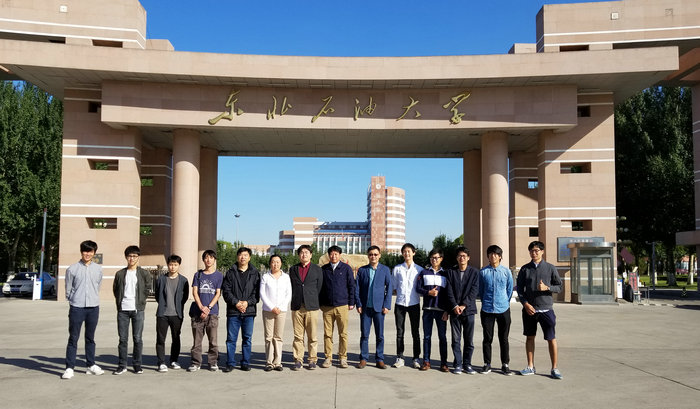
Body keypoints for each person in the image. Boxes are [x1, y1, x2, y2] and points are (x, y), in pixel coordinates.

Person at [517, 240, 563, 379]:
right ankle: (530, 366)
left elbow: (559, 287)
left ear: (542, 251)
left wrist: (547, 288)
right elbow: (520, 290)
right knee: (530, 337)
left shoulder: (550, 268)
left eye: (536, 250)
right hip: (529, 310)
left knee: (551, 338)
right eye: (531, 251)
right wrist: (525, 304)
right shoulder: (525, 269)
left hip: (546, 310)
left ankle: (554, 368)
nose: (534, 253)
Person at [62, 240, 104, 379]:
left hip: (93, 307)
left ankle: (91, 365)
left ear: (94, 253)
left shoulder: (98, 269)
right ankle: (69, 368)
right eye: (85, 251)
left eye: (90, 251)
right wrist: (74, 300)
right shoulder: (72, 269)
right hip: (77, 307)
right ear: (81, 252)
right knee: (73, 338)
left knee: (90, 338)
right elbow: (68, 289)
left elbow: (97, 286)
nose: (88, 254)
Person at [112, 245, 151, 375]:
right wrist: (119, 302)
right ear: (126, 257)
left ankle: (137, 364)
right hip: (123, 310)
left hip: (137, 310)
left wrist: (141, 300)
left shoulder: (144, 273)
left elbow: (147, 288)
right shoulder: (120, 274)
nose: (132, 258)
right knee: (123, 339)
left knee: (137, 338)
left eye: (134, 256)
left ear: (138, 257)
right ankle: (122, 365)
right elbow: (116, 289)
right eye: (129, 256)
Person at [222, 247, 260, 372]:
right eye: (240, 255)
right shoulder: (230, 272)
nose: (243, 257)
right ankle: (230, 363)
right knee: (231, 339)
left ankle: (245, 362)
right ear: (237, 257)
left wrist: (247, 303)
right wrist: (237, 303)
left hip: (249, 312)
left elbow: (257, 293)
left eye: (245, 255)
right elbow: (226, 291)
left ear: (249, 257)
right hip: (233, 311)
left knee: (247, 339)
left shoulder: (255, 273)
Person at [355, 245, 393, 369]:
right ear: (368, 256)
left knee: (380, 335)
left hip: (379, 308)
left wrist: (387, 305)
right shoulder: (362, 270)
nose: (373, 256)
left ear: (379, 255)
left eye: (375, 254)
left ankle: (379, 359)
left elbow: (389, 288)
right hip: (365, 308)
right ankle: (363, 358)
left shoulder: (385, 270)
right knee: (364, 335)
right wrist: (358, 304)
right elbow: (357, 288)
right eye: (371, 254)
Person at [479, 244, 513, 375]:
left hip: (503, 309)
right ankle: (487, 364)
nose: (493, 256)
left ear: (500, 257)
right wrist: (486, 302)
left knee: (503, 338)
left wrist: (504, 301)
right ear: (487, 256)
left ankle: (505, 364)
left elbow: (509, 290)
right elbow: (481, 291)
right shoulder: (483, 272)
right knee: (487, 338)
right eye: (491, 254)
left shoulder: (506, 272)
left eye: (496, 254)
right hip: (487, 309)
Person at [319, 245, 355, 369]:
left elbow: (351, 286)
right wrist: (320, 303)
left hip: (342, 306)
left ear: (340, 255)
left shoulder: (346, 268)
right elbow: (320, 288)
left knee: (343, 334)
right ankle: (328, 357)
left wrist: (351, 302)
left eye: (336, 254)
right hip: (327, 307)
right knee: (327, 334)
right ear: (328, 255)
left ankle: (343, 357)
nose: (333, 256)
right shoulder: (324, 269)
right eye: (331, 254)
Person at [445, 246, 479, 374]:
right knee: (456, 339)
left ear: (468, 258)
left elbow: (474, 291)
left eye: (464, 256)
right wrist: (454, 306)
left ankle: (467, 364)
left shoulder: (474, 272)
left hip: (469, 311)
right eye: (460, 256)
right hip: (454, 311)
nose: (462, 258)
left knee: (469, 340)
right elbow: (448, 291)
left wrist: (464, 305)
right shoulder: (450, 272)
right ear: (456, 258)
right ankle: (458, 364)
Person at [289, 244, 323, 370]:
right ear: (299, 255)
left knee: (312, 336)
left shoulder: (317, 269)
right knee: (298, 336)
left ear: (311, 255)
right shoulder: (293, 269)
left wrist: (312, 299)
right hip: (297, 306)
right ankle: (298, 359)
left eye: (306, 252)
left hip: (311, 307)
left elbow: (319, 287)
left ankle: (312, 359)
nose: (304, 254)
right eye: (302, 252)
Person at [188, 249, 223, 372]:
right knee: (197, 341)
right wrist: (201, 307)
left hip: (212, 313)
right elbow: (195, 292)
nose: (208, 260)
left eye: (211, 257)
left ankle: (213, 362)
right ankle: (196, 362)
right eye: (206, 257)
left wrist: (208, 308)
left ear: (214, 260)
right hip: (198, 312)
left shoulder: (219, 276)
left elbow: (218, 293)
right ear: (203, 260)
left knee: (213, 340)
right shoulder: (198, 275)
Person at [154, 254, 190, 372]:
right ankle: (161, 362)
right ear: (168, 265)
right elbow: (157, 295)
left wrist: (178, 307)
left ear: (179, 265)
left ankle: (174, 360)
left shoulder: (183, 280)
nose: (173, 267)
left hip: (176, 314)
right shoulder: (161, 279)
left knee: (176, 338)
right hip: (162, 314)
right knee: (161, 339)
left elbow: (185, 297)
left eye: (175, 264)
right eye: (170, 264)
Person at [416, 248, 449, 372]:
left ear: (441, 259)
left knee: (442, 337)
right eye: (432, 258)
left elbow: (448, 294)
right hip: (428, 309)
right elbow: (418, 288)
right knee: (427, 337)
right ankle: (426, 361)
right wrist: (428, 292)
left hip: (441, 311)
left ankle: (444, 363)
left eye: (436, 258)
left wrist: (447, 311)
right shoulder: (424, 273)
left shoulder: (446, 274)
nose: (434, 260)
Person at [391, 243, 424, 369]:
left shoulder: (419, 270)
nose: (407, 253)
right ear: (402, 254)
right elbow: (394, 287)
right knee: (400, 332)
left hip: (414, 304)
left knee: (415, 332)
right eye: (404, 251)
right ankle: (400, 357)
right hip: (400, 304)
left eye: (409, 251)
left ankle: (416, 358)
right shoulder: (397, 269)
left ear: (413, 253)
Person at [260, 254, 292, 372]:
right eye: (273, 262)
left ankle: (277, 362)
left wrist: (280, 307)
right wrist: (272, 307)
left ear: (281, 263)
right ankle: (269, 362)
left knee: (278, 337)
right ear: (270, 263)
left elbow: (288, 294)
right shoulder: (265, 277)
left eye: (278, 262)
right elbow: (262, 293)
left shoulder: (286, 277)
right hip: (268, 310)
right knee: (269, 336)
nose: (275, 264)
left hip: (281, 311)